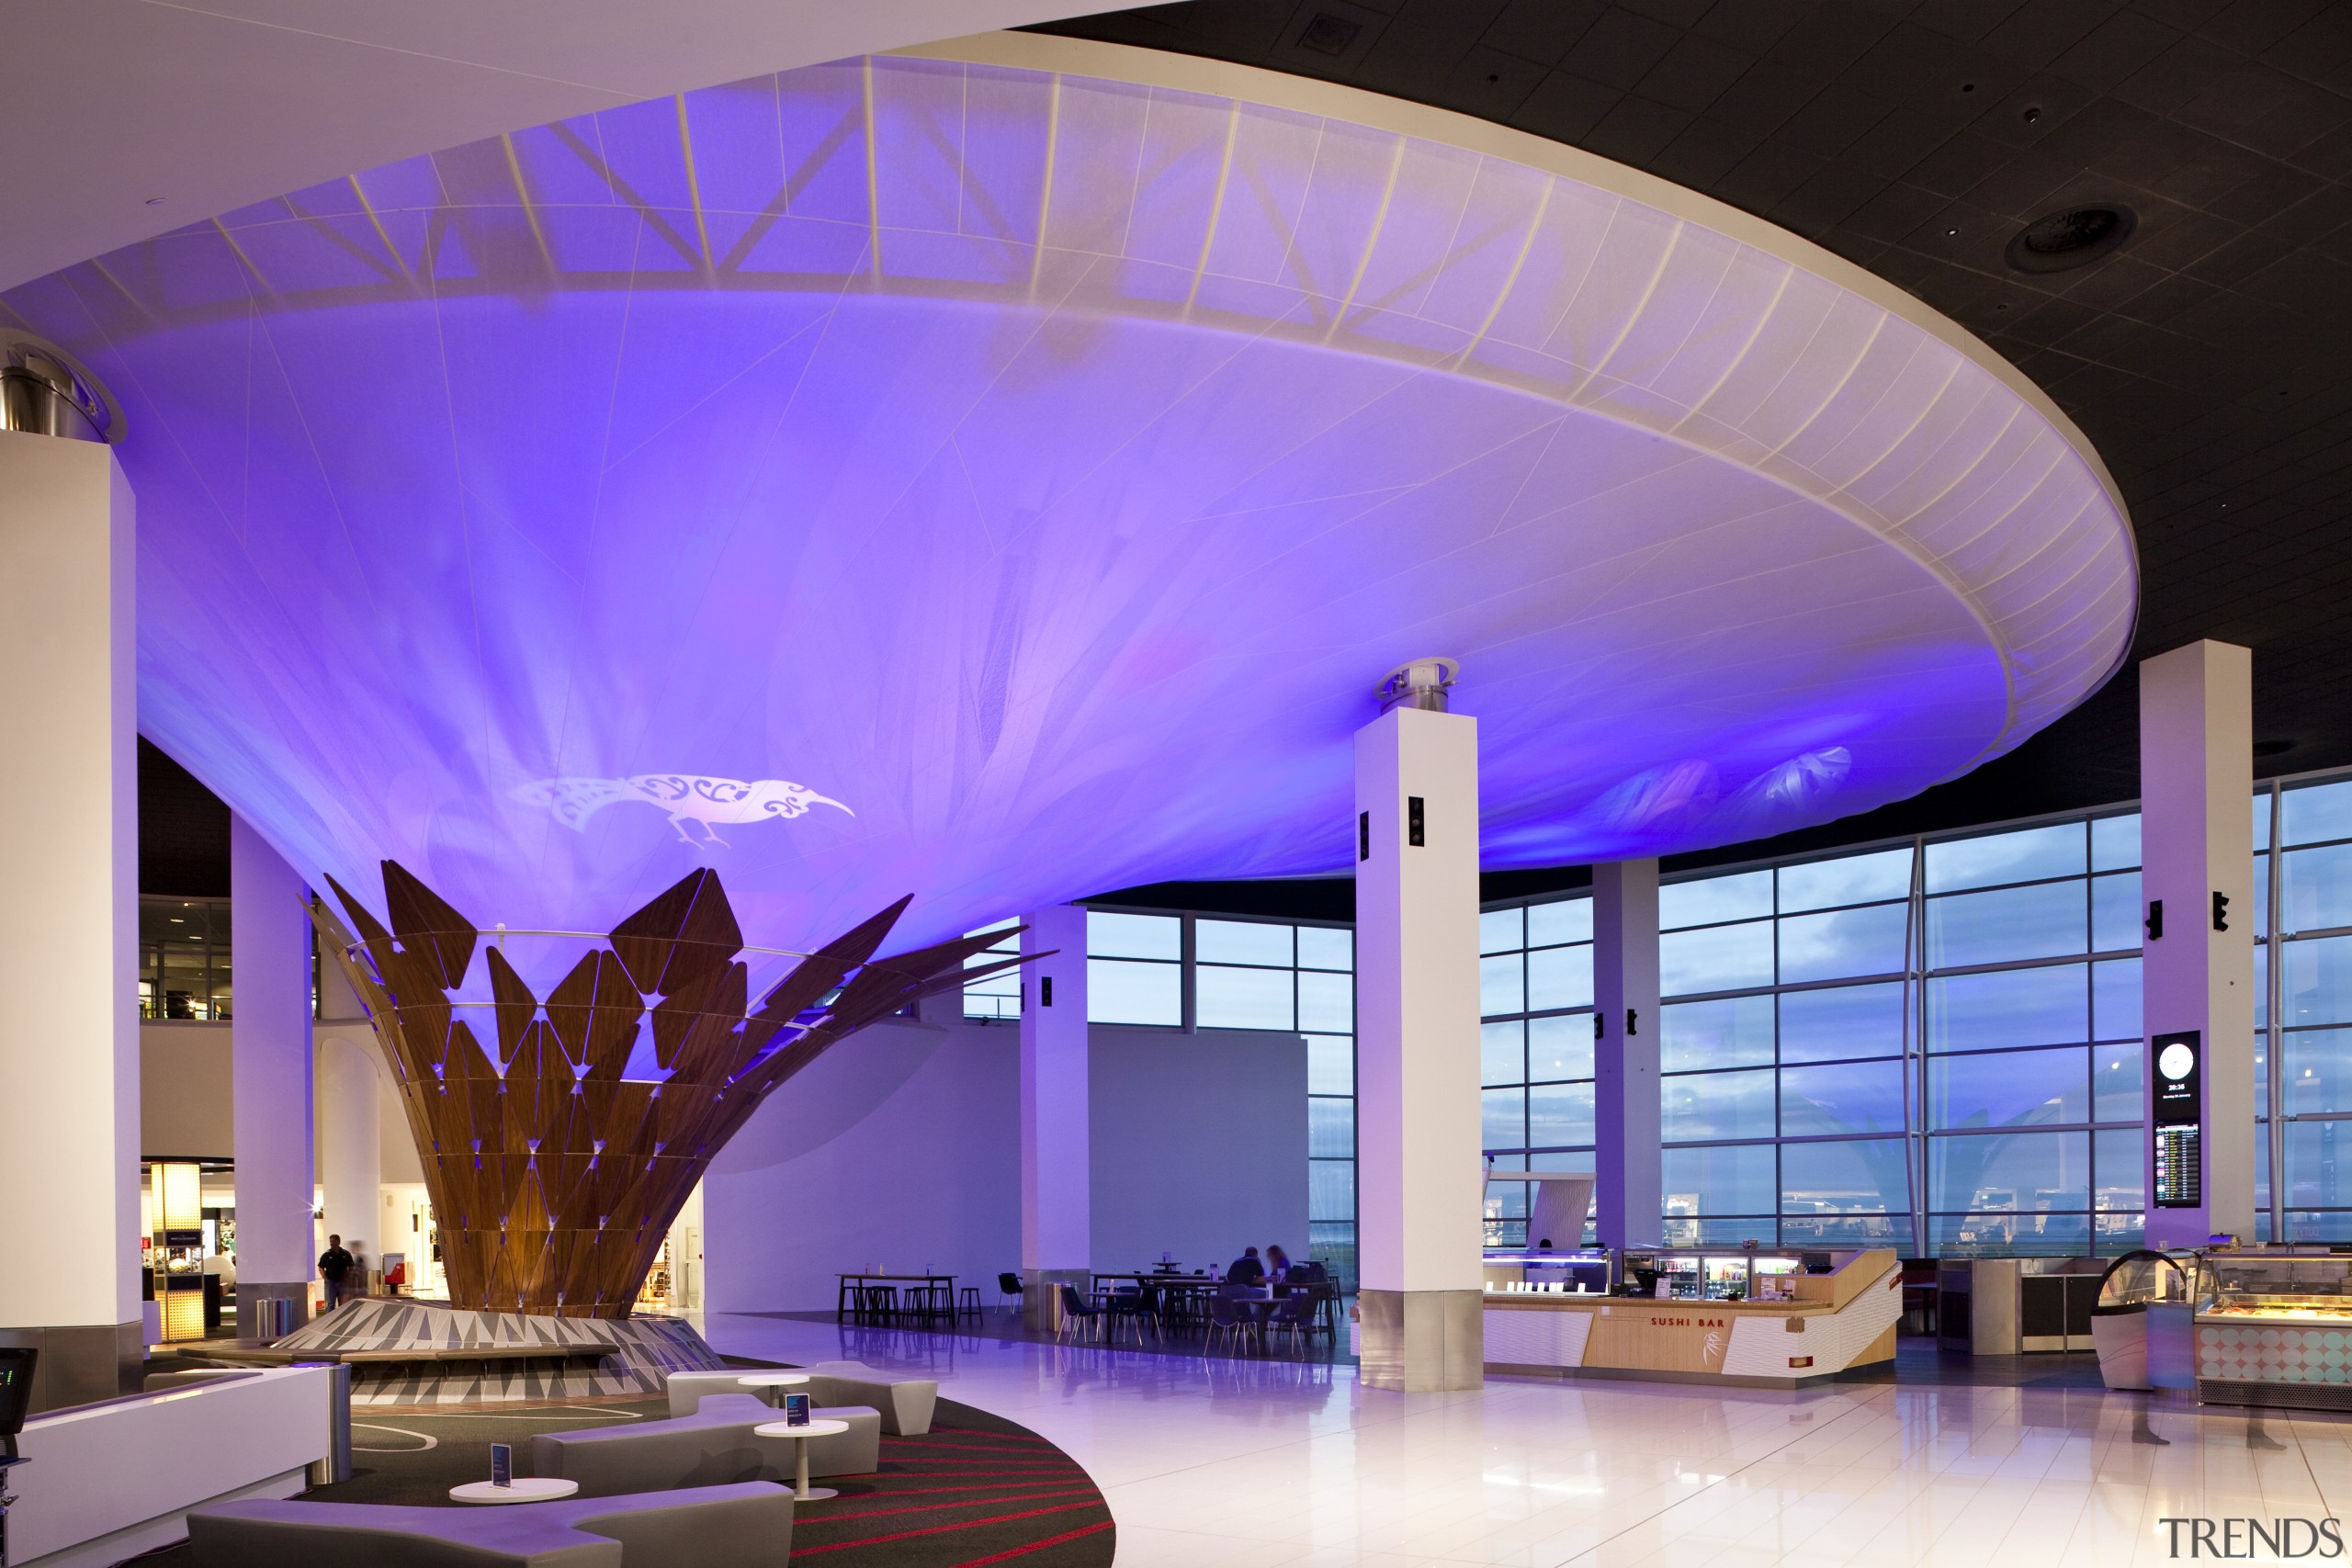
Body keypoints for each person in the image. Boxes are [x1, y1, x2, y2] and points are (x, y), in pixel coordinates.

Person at [318, 1235, 356, 1311]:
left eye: (334, 1241)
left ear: (339, 1242)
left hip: (343, 1282)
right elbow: (321, 1267)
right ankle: (330, 1320)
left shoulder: (345, 1254)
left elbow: (351, 1266)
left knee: (343, 1303)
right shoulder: (327, 1254)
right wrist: (325, 1278)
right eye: (330, 1241)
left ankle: (342, 1319)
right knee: (331, 1303)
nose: (331, 1243)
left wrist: (348, 1276)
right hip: (331, 1281)